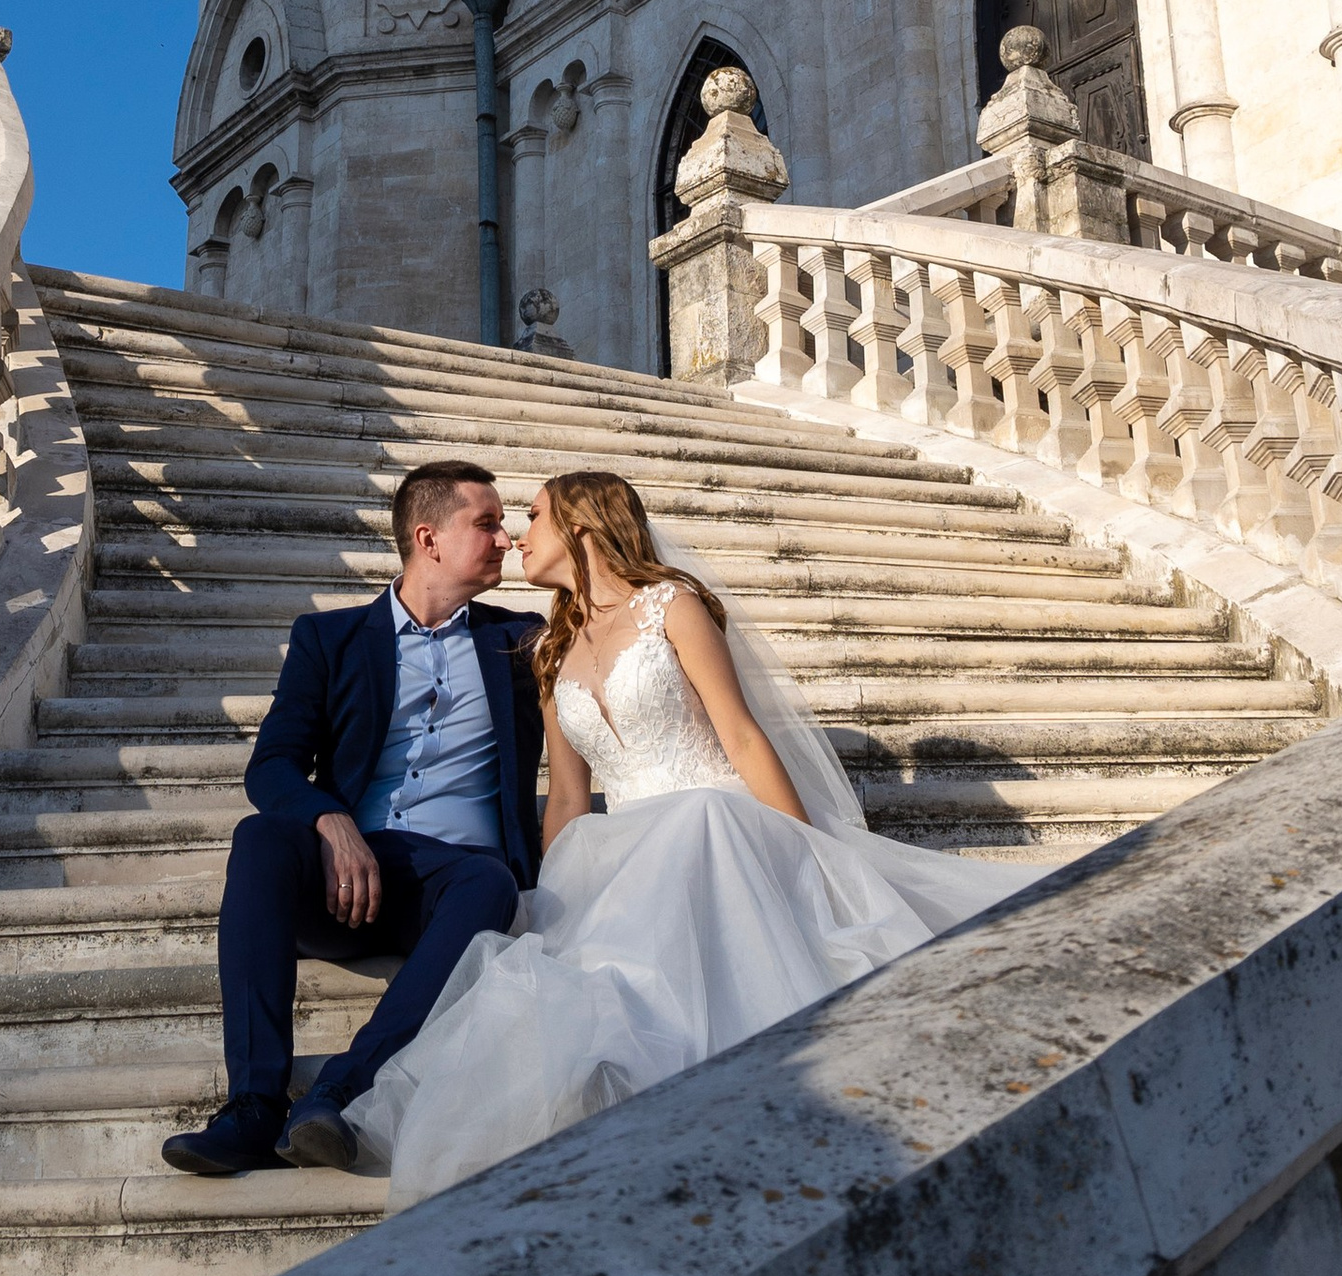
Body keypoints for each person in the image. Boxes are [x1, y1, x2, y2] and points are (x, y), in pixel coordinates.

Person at [343, 467, 1042, 1208]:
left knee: (695, 826)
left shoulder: (671, 607)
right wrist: (554, 902)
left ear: (582, 528)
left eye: (536, 517)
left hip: (725, 826)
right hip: (626, 852)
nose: (519, 533)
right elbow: (571, 800)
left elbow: (740, 735)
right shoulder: (553, 649)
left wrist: (812, 851)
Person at [162, 457, 545, 1180]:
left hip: (450, 885)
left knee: (490, 883)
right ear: (428, 539)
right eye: (487, 524)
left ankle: (341, 1090)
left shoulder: (520, 641)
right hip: (346, 875)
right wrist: (331, 821)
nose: (506, 540)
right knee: (261, 836)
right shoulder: (328, 640)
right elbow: (271, 766)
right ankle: (251, 1107)